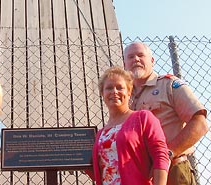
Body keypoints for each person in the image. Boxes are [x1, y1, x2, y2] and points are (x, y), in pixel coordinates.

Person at [123, 42, 208, 185]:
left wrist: (167, 154)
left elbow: (200, 123)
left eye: (140, 55)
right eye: (131, 57)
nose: (136, 59)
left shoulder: (169, 85)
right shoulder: (124, 96)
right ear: (125, 63)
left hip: (172, 170)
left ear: (152, 60)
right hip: (138, 175)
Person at [86, 66, 169, 185]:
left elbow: (160, 155)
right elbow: (103, 170)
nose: (114, 92)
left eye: (120, 88)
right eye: (109, 88)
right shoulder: (101, 133)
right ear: (102, 94)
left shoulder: (143, 118)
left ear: (129, 92)